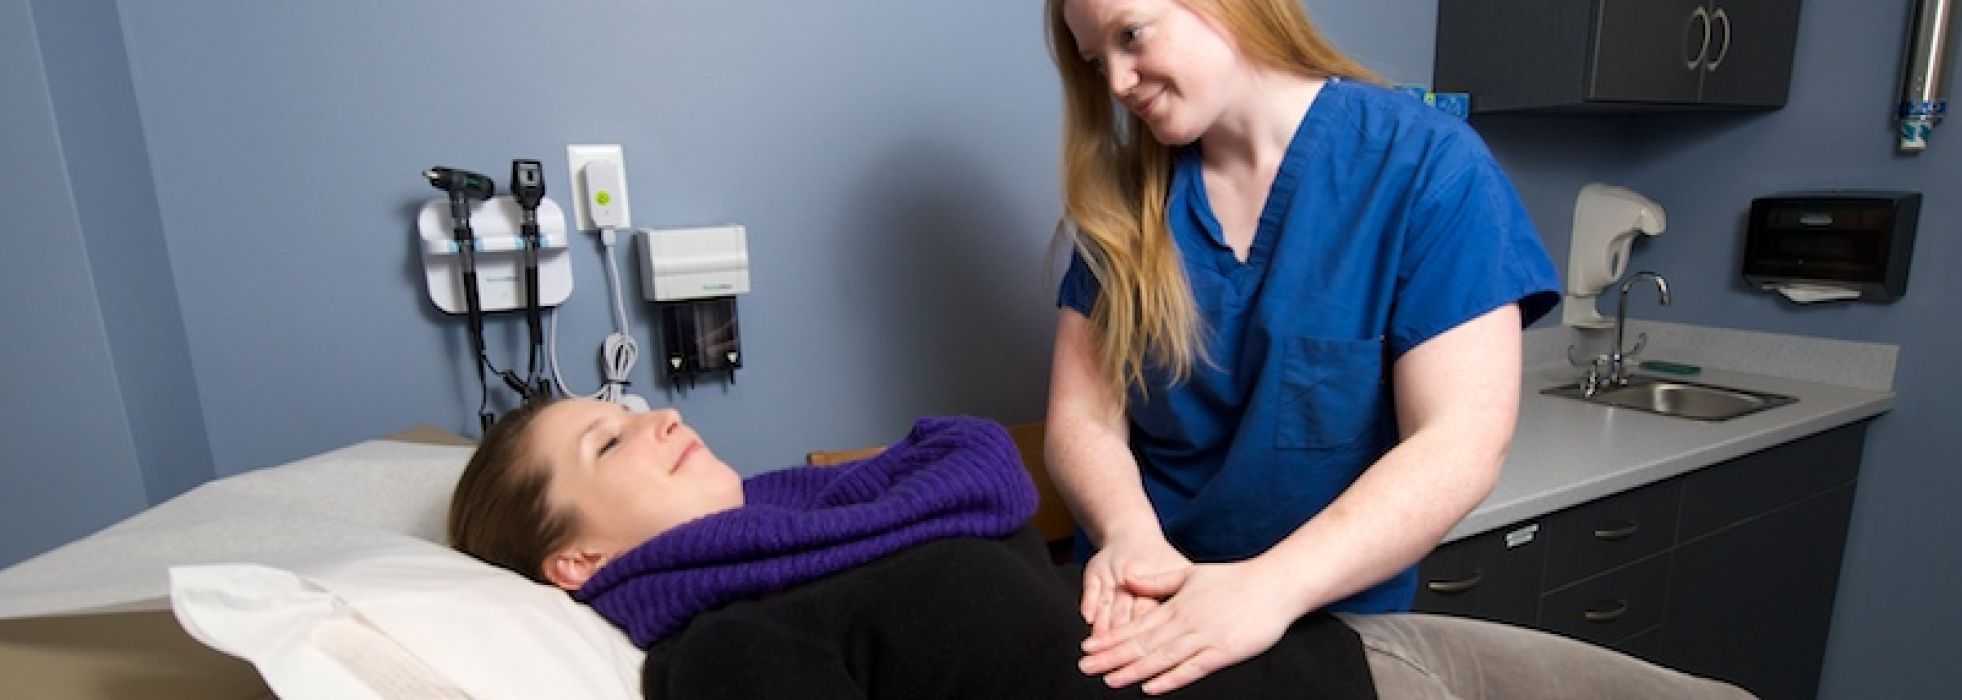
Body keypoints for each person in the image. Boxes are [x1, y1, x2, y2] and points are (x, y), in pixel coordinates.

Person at [448, 399, 1751, 699]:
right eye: (608, 445)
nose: (657, 417)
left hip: (1350, 652)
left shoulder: (829, 512)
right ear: (572, 561)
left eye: (631, 408)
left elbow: (970, 450)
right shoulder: (721, 650)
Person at [1041, 0, 1565, 692]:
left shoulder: (1427, 170)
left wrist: (1267, 590)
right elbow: (1082, 418)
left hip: (1325, 619)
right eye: (1095, 61)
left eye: (1131, 36)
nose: (1116, 82)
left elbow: (1461, 442)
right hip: (1140, 604)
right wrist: (1131, 539)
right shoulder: (1127, 198)